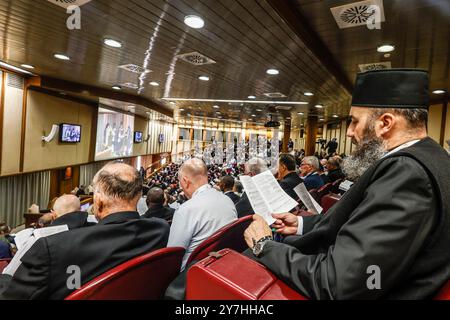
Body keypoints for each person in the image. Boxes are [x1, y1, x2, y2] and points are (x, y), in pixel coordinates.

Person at [243, 69, 450, 299]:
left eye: (354, 122)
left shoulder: (407, 173)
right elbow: (363, 223)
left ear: (386, 123)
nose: (349, 132)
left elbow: (340, 283)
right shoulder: (432, 156)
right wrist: (302, 224)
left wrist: (264, 245)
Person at [0, 162, 169, 299]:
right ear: (139, 196)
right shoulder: (159, 230)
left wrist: (5, 278)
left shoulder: (52, 248)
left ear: (98, 200)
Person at [168, 158, 237, 271]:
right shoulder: (228, 200)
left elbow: (172, 258)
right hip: (224, 265)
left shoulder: (185, 210)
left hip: (190, 275)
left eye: (181, 183)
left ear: (185, 181)